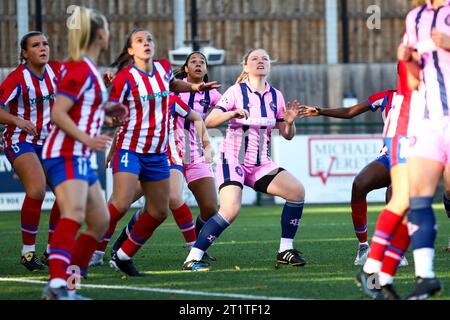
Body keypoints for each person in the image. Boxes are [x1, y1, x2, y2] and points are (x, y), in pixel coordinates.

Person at [102, 28, 219, 276]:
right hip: (135, 152)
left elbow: (196, 114)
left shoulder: (166, 85)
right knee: (121, 203)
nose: (147, 43)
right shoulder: (128, 81)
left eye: (150, 39)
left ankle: (190, 250)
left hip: (165, 154)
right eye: (139, 40)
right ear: (130, 50)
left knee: (167, 204)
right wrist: (112, 147)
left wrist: (196, 91)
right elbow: (117, 120)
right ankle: (95, 250)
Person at [182, 48, 305, 271]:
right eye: (255, 58)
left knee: (297, 192)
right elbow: (209, 121)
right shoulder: (236, 91)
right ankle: (193, 256)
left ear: (269, 66)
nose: (260, 61)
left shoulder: (276, 95)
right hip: (233, 160)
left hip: (261, 164)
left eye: (265, 58)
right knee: (230, 209)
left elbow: (287, 135)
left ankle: (285, 250)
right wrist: (231, 114)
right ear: (245, 66)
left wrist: (289, 122)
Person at [40, 7, 127, 300]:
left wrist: (106, 112)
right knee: (75, 214)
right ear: (100, 34)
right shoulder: (79, 68)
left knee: (100, 222)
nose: (109, 34)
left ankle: (69, 287)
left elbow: (80, 109)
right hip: (66, 152)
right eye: (107, 30)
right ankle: (56, 286)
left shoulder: (87, 67)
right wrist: (89, 139)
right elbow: (58, 113)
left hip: (79, 154)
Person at [298, 90, 407, 266]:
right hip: (389, 157)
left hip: (416, 160)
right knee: (359, 184)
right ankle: (363, 247)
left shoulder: (428, 97)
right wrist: (320, 111)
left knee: (394, 193)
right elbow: (350, 112)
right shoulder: (387, 96)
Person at [389, 0, 450, 299]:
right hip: (427, 121)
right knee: (418, 199)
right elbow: (413, 80)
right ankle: (425, 277)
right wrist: (408, 61)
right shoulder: (414, 18)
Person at [0, 31, 62, 272]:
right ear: (25, 54)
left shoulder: (56, 71)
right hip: (20, 139)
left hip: (48, 141)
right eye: (36, 45)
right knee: (36, 190)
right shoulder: (18, 78)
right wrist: (17, 120)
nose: (43, 48)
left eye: (45, 43)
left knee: (69, 195)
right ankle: (28, 253)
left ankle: (52, 250)